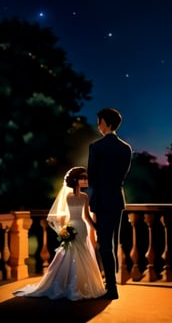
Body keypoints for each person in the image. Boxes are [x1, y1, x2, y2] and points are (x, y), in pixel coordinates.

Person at [13, 166, 107, 300]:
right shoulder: (74, 196)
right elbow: (82, 216)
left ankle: (80, 284)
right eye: (83, 178)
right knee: (72, 253)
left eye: (86, 177)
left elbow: (86, 216)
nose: (86, 180)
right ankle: (72, 284)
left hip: (78, 226)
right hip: (76, 225)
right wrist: (66, 229)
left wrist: (96, 228)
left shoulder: (83, 197)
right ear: (76, 180)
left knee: (82, 253)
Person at [87, 107, 132, 301]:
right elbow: (123, 176)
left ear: (106, 123)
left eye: (99, 121)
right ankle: (111, 284)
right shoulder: (126, 148)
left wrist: (91, 203)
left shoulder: (96, 147)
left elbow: (92, 178)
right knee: (112, 243)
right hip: (117, 200)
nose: (98, 125)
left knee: (104, 244)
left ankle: (111, 288)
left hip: (102, 201)